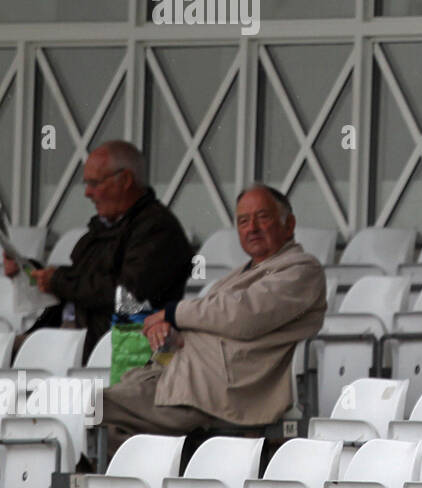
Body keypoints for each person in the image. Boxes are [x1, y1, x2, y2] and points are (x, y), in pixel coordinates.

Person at [98, 184, 326, 457]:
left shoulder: (302, 270)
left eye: (262, 217)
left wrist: (172, 314)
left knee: (90, 407)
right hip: (181, 381)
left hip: (216, 393)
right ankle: (150, 482)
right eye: (243, 221)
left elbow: (242, 317)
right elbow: (212, 323)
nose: (251, 227)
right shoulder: (240, 273)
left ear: (289, 225)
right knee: (103, 431)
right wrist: (168, 331)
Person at [3, 141, 192, 363]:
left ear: (125, 181)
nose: (87, 193)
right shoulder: (104, 227)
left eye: (94, 183)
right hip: (69, 335)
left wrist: (58, 281)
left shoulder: (157, 229)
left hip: (108, 346)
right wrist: (33, 272)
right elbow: (81, 281)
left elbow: (127, 295)